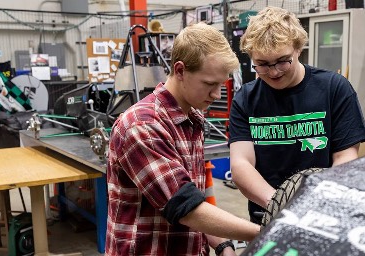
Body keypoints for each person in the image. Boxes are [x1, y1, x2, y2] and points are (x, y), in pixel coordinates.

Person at [106, 23, 260, 256]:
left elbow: (195, 196)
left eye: (221, 84)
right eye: (209, 84)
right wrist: (264, 232)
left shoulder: (192, 118)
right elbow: (187, 208)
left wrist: (222, 244)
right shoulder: (142, 126)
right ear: (180, 70)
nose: (217, 95)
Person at [228, 7, 365, 224]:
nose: (274, 72)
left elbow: (345, 159)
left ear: (298, 49)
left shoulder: (334, 88)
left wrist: (316, 204)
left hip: (324, 213)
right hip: (267, 216)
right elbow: (241, 165)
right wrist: (281, 204)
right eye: (263, 64)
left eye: (283, 60)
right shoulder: (246, 98)